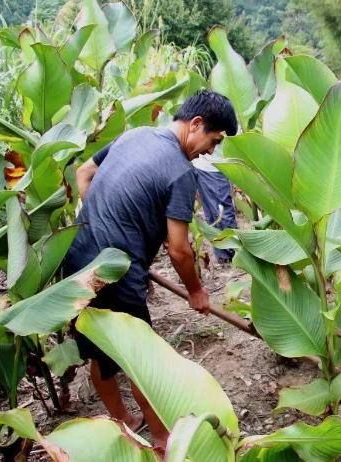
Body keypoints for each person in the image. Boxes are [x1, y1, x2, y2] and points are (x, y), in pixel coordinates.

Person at [64, 90, 237, 450]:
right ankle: (161, 441)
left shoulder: (135, 135)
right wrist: (196, 291)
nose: (210, 151)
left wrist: (99, 221)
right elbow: (179, 250)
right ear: (196, 124)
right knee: (143, 360)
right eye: (213, 141)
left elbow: (84, 173)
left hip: (77, 258)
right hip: (117, 274)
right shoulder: (180, 173)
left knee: (100, 347)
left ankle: (123, 421)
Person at [192, 145, 238, 263]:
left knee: (219, 212)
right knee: (217, 213)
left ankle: (231, 253)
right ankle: (229, 254)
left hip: (215, 165)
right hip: (211, 165)